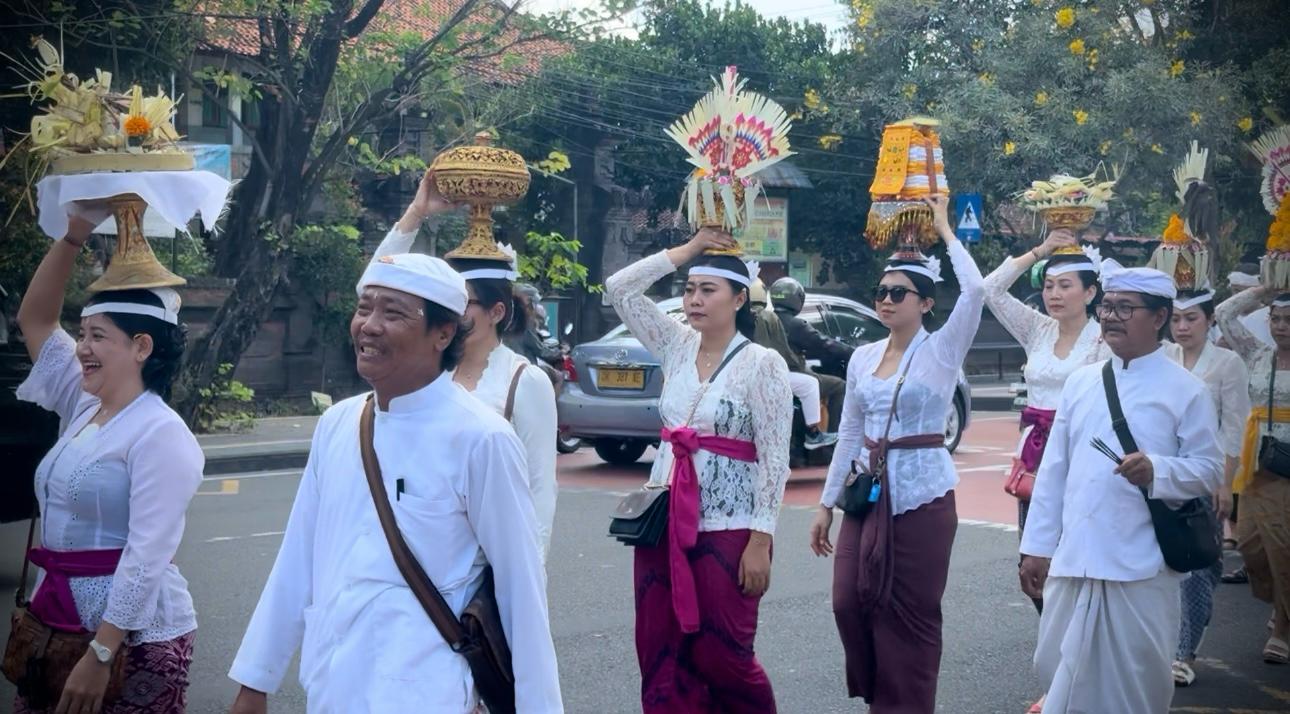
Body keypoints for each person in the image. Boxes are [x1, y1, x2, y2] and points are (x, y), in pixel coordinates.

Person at [227, 252, 562, 712]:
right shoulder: (339, 423)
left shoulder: (481, 438)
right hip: (332, 685)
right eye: (365, 308)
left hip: (428, 690)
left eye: (393, 313)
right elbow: (297, 557)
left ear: (444, 333)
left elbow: (521, 591)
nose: (369, 325)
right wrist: (255, 680)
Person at [14, 207, 204, 713]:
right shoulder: (82, 403)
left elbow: (146, 557)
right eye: (82, 335)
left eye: (98, 336)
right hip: (51, 624)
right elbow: (35, 319)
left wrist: (101, 653)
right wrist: (74, 234)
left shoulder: (162, 434)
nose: (81, 349)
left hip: (132, 643)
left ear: (141, 346)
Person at [1018, 261, 1223, 714]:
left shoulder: (1187, 390)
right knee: (1056, 669)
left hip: (1142, 566)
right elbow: (1054, 472)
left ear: (1159, 317)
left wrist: (1159, 470)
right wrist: (1036, 546)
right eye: (1108, 306)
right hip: (1076, 559)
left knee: (1135, 687)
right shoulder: (1081, 383)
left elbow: (1208, 470)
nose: (1110, 316)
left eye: (1125, 308)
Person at [604, 227, 793, 713]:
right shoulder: (676, 346)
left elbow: (775, 458)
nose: (694, 299)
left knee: (724, 654)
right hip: (663, 520)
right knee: (660, 648)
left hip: (728, 528)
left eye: (708, 290)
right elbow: (619, 288)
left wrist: (760, 540)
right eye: (689, 289)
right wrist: (687, 251)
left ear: (738, 299)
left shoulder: (763, 363)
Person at [810, 195, 984, 713]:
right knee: (848, 602)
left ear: (926, 303)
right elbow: (848, 433)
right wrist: (824, 504)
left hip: (923, 500)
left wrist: (947, 231)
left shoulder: (943, 349)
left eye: (898, 293)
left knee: (907, 615)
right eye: (881, 292)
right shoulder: (863, 357)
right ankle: (877, 694)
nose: (885, 300)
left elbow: (975, 290)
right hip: (867, 496)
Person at [374, 172, 558, 561]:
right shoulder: (426, 370)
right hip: (415, 555)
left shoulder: (524, 382)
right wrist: (416, 213)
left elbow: (540, 491)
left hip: (481, 566)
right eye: (445, 305)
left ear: (496, 311)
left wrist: (526, 583)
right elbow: (377, 290)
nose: (451, 316)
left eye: (463, 304)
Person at [1168, 288, 1251, 685]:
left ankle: (1185, 652)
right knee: (1162, 568)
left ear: (1210, 320)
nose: (1182, 327)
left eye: (1192, 318)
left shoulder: (1227, 363)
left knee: (1199, 568)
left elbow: (1233, 427)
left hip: (1204, 478)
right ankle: (1165, 645)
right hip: (1163, 476)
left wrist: (1224, 483)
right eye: (1176, 319)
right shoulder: (1162, 357)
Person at [1214, 285, 1290, 665]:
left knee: (1283, 549)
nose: (1280, 327)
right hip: (1257, 465)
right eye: (1275, 319)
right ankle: (1280, 603)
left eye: (1289, 320)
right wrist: (1271, 286)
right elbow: (1225, 313)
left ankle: (1282, 629)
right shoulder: (1258, 354)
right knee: (1252, 547)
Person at [749, 279, 838, 450]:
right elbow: (780, 350)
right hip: (767, 376)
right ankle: (813, 433)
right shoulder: (767, 317)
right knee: (810, 384)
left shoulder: (736, 317)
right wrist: (797, 363)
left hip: (747, 376)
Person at [769, 276, 848, 424]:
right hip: (791, 374)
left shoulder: (764, 319)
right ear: (797, 299)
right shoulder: (795, 324)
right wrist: (853, 352)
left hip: (769, 375)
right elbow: (825, 343)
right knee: (839, 385)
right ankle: (829, 434)